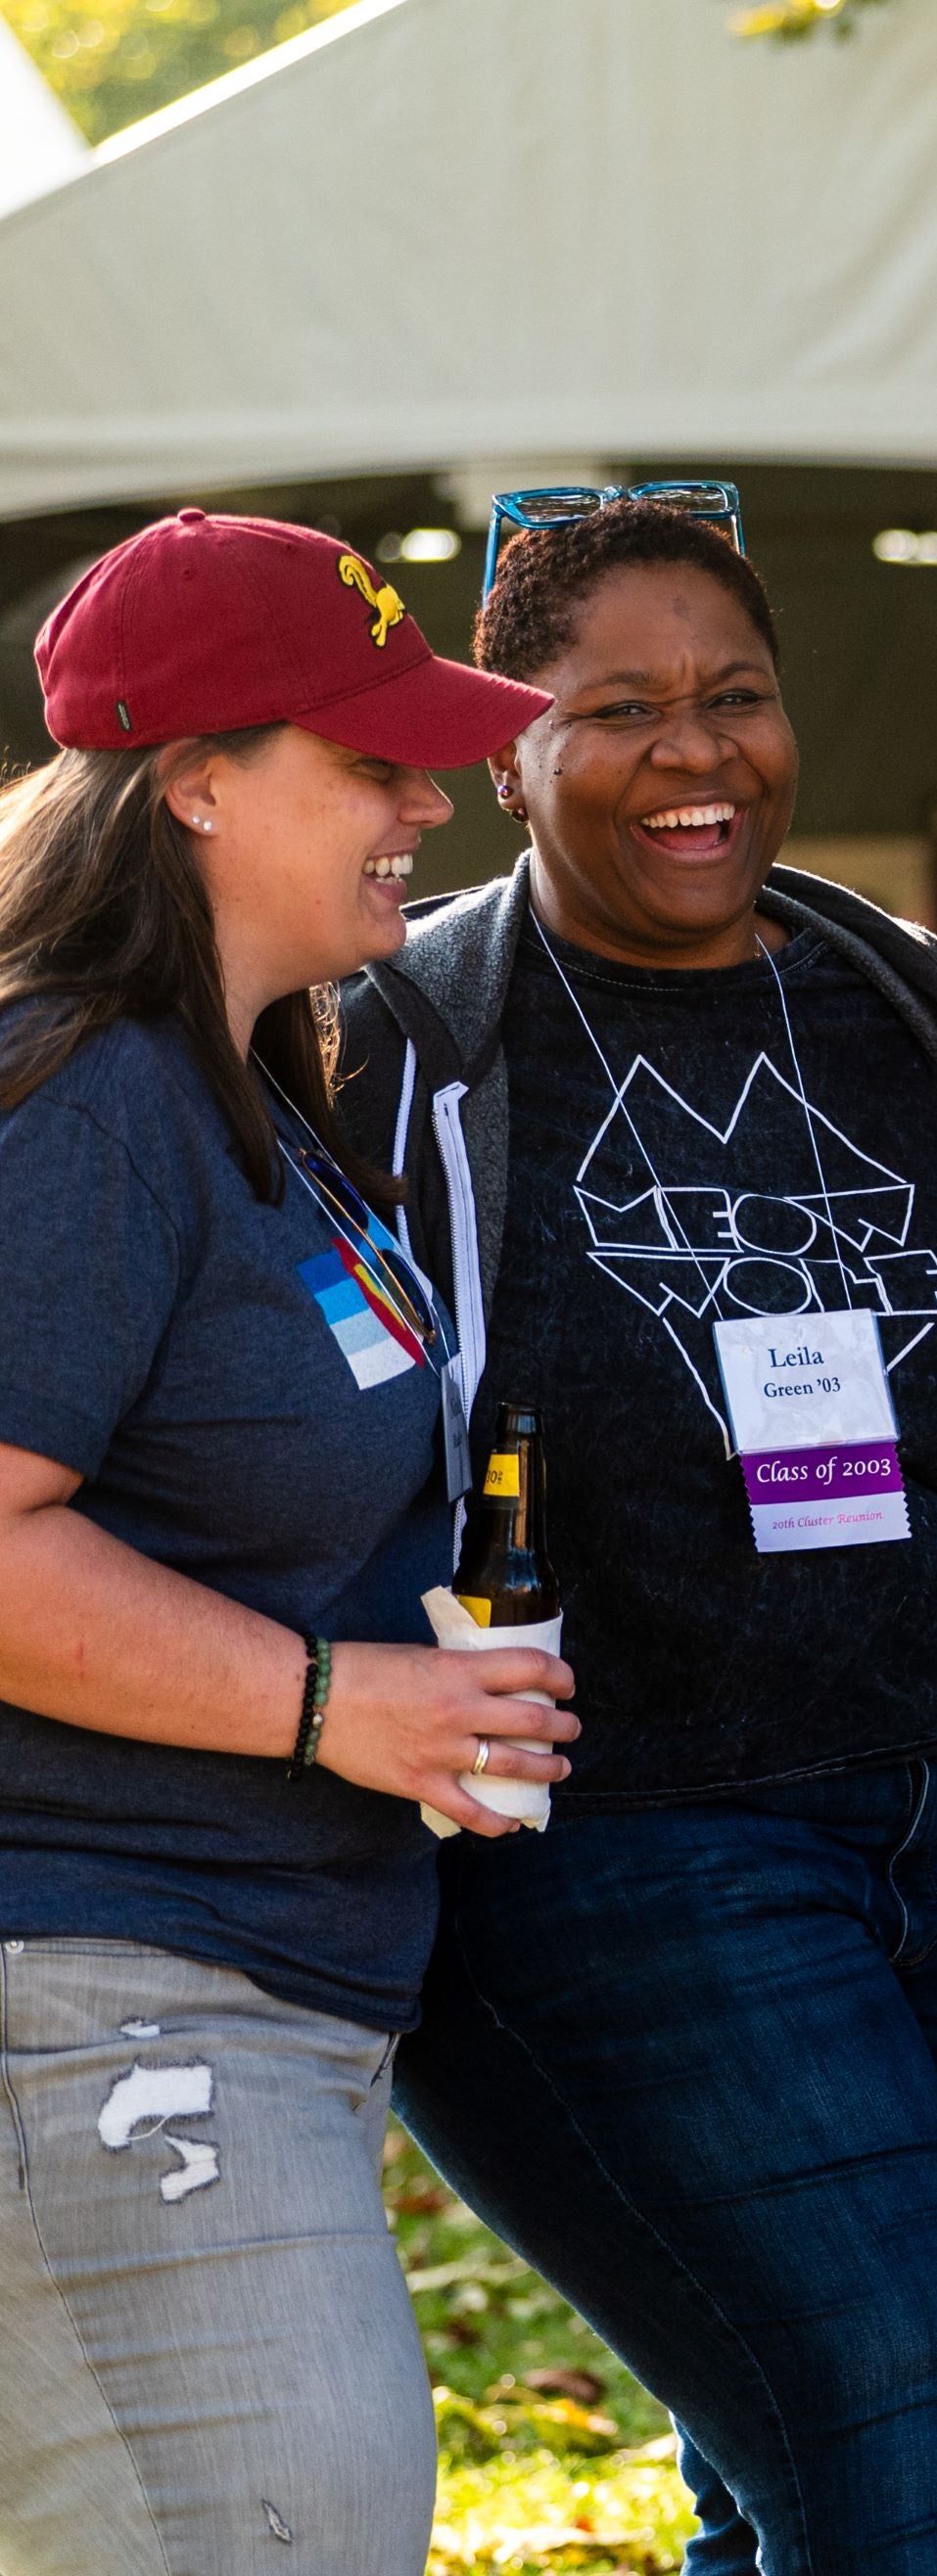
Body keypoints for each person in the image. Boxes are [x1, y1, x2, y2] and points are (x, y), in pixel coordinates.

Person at [324, 495, 937, 2576]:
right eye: (622, 710)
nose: (698, 753)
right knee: (908, 2472)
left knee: (797, 2475)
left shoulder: (902, 992)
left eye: (737, 696)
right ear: (508, 746)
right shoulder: (403, 1040)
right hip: (625, 1849)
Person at [0, 509, 570, 2573]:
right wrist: (336, 1701)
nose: (429, 800)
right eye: (371, 761)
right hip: (103, 2009)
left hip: (242, 1998)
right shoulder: (76, 1097)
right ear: (198, 781)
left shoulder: (240, 1086)